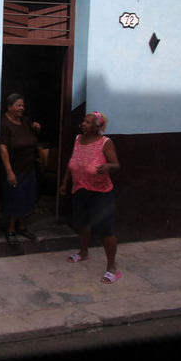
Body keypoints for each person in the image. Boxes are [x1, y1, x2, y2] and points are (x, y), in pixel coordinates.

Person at [59, 111, 122, 284]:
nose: (84, 124)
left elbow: (117, 165)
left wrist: (107, 166)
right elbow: (72, 163)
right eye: (84, 121)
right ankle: (83, 252)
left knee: (106, 229)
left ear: (98, 127)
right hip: (79, 189)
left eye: (88, 122)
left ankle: (111, 267)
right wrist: (65, 183)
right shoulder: (78, 139)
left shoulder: (105, 142)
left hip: (100, 192)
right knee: (82, 223)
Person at [0, 93, 47, 247]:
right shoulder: (5, 123)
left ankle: (22, 227)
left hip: (29, 168)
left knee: (26, 197)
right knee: (15, 199)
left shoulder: (24, 120)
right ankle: (10, 230)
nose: (21, 108)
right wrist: (9, 172)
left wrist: (36, 126)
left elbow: (33, 130)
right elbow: (3, 147)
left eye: (22, 105)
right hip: (15, 169)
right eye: (18, 105)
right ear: (9, 107)